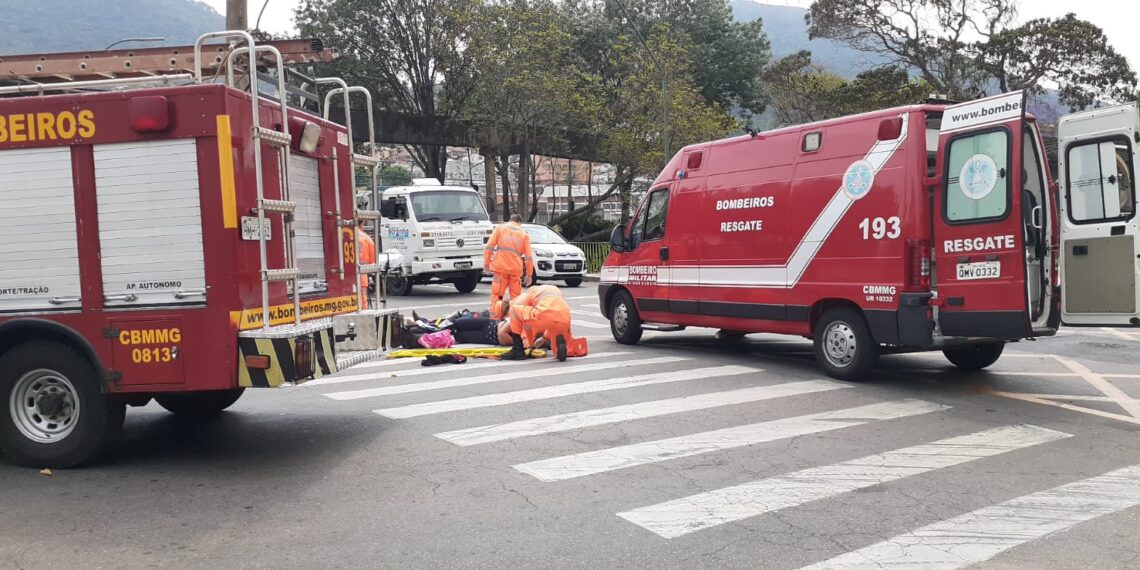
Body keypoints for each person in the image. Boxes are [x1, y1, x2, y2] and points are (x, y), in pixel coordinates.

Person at [500, 284, 573, 361]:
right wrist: (544, 338)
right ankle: (559, 347)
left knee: (513, 310)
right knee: (556, 346)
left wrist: (530, 344)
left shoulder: (530, 294)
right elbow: (553, 317)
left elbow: (526, 324)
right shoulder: (554, 290)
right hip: (565, 318)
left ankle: (517, 349)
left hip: (543, 316)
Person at [485, 214, 534, 318]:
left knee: (497, 295)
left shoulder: (500, 228)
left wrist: (487, 264)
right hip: (515, 269)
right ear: (519, 222)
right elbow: (528, 257)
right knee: (516, 298)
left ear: (509, 220)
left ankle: (494, 318)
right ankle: (514, 319)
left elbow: (489, 246)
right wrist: (529, 274)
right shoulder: (523, 233)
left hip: (500, 267)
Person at [357, 226, 376, 310]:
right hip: (361, 275)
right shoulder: (367, 238)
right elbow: (372, 261)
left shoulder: (342, 234)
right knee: (362, 298)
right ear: (362, 223)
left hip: (343, 275)